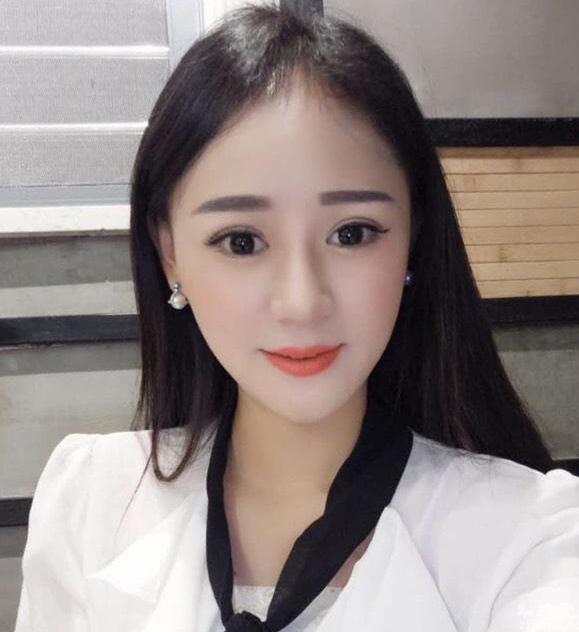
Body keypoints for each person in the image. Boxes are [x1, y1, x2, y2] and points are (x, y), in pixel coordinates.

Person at [14, 3, 579, 631]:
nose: (302, 302)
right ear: (170, 252)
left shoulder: (529, 540)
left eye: (352, 233)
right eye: (241, 242)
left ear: (412, 239)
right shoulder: (92, 500)